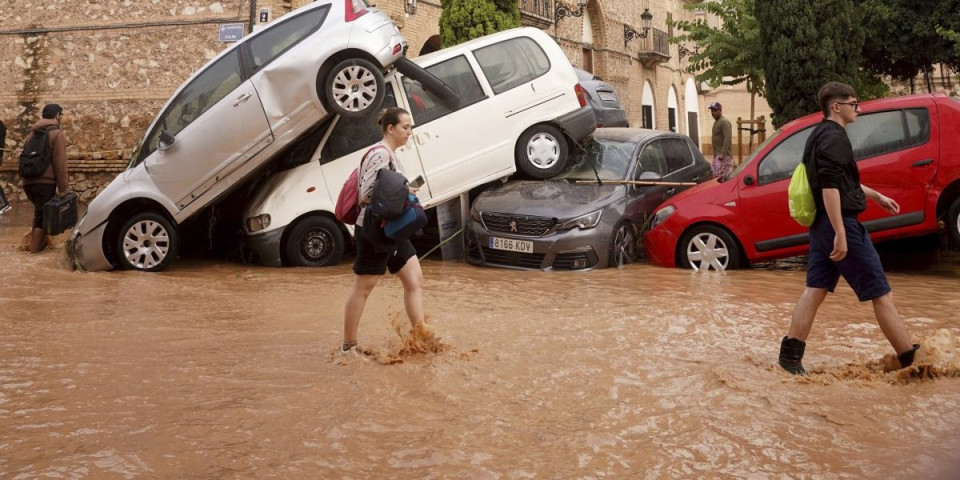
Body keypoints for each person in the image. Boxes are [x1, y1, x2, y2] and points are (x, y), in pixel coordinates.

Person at [778, 82, 920, 375]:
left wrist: (877, 196)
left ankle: (789, 359)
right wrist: (841, 232)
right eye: (854, 103)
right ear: (836, 106)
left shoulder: (817, 134)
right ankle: (911, 362)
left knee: (814, 290)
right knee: (881, 293)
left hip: (821, 226)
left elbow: (842, 182)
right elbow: (829, 187)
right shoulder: (835, 138)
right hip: (838, 224)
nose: (859, 109)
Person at [341, 107, 428, 358]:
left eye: (410, 127)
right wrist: (406, 193)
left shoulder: (391, 154)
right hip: (373, 230)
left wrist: (406, 190)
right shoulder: (380, 155)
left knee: (414, 279)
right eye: (406, 127)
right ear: (391, 128)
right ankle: (348, 347)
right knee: (364, 287)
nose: (410, 132)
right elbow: (366, 194)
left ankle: (420, 337)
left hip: (392, 228)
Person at [22, 104, 69, 252]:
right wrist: (63, 188)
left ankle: (37, 245)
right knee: (43, 218)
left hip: (28, 182)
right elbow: (60, 163)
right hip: (45, 183)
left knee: (39, 213)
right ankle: (33, 255)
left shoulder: (31, 135)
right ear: (57, 116)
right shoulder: (57, 134)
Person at [708, 102, 733, 178]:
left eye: (715, 111)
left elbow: (727, 138)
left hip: (723, 156)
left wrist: (723, 153)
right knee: (717, 177)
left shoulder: (724, 122)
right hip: (718, 155)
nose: (713, 113)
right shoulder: (717, 122)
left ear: (720, 110)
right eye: (712, 111)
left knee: (720, 178)